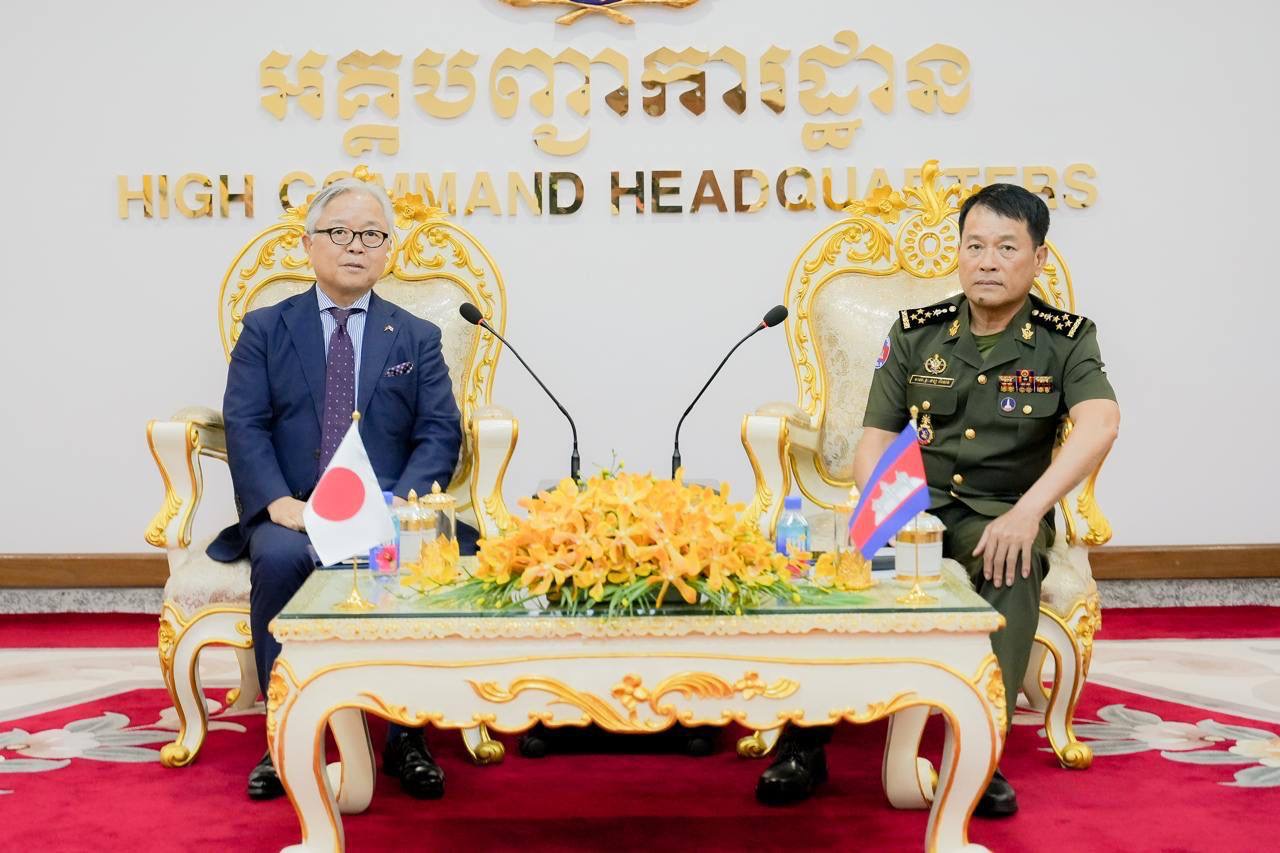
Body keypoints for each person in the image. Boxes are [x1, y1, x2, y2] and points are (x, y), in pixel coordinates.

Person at [756, 183, 1120, 815]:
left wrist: (1028, 514)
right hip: (913, 502)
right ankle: (803, 742)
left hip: (1001, 512)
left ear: (1037, 258)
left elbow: (1101, 422)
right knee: (844, 573)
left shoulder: (1065, 339)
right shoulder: (916, 333)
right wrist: (885, 514)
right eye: (974, 246)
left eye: (1006, 247)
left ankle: (979, 751)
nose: (987, 261)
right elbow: (875, 439)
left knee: (1012, 564)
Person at [207, 178, 476, 801]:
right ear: (309, 245)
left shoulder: (416, 336)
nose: (356, 246)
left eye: (372, 235)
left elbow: (439, 432)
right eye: (340, 232)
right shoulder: (265, 328)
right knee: (279, 558)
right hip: (294, 509)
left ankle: (406, 736)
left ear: (387, 251)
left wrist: (402, 505)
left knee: (412, 553)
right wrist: (278, 503)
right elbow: (245, 424)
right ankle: (285, 736)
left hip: (388, 508)